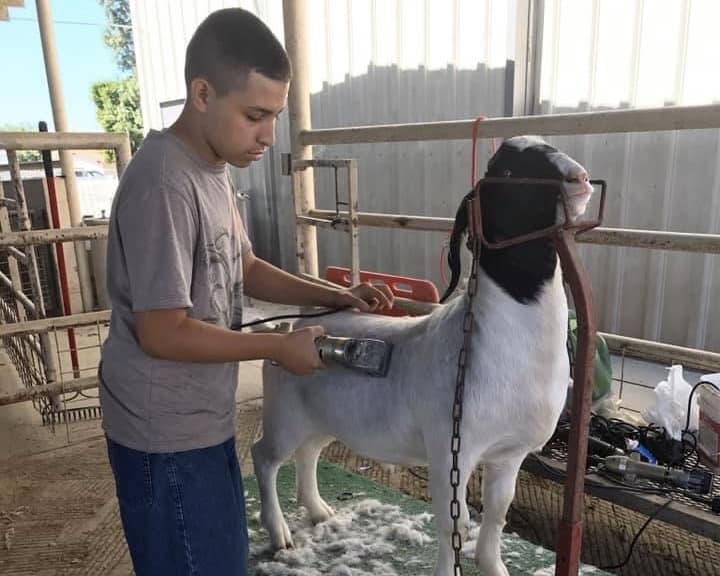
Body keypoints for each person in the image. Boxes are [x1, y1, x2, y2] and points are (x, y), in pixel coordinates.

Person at [98, 7, 393, 576]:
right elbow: (163, 331)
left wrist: (336, 295)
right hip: (163, 433)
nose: (268, 135)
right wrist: (278, 347)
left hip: (200, 418)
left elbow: (246, 266)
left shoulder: (212, 169)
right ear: (202, 93)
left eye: (276, 116)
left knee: (219, 556)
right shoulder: (164, 183)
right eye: (255, 115)